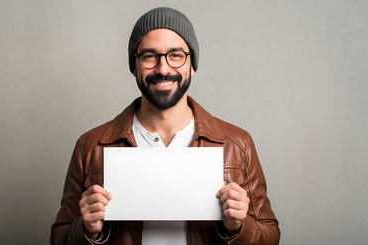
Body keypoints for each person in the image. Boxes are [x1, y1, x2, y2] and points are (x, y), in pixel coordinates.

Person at [51, 7, 280, 245]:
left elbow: (270, 236)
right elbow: (58, 238)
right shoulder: (90, 146)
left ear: (192, 64)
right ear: (134, 66)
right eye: (149, 56)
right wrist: (86, 229)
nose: (163, 68)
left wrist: (239, 227)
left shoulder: (237, 144)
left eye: (176, 55)